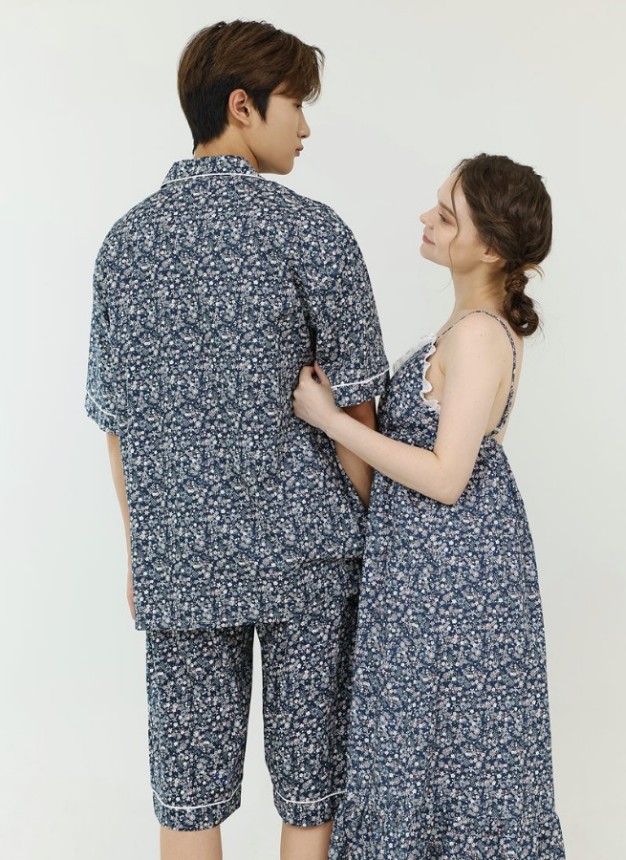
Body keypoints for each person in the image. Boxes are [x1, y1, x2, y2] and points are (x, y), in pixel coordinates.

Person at [85, 20, 388, 860]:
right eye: (296, 104)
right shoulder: (312, 232)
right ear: (243, 105)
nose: (306, 126)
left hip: (180, 559)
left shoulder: (125, 245)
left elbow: (118, 424)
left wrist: (143, 551)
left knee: (188, 803)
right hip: (311, 560)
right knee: (313, 791)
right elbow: (357, 412)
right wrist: (383, 536)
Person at [293, 154, 566, 858]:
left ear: (491, 249)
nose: (427, 219)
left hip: (454, 580)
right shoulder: (464, 326)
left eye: (446, 216)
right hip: (427, 570)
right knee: (423, 752)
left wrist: (330, 420)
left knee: (442, 754)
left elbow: (447, 476)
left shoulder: (478, 335)